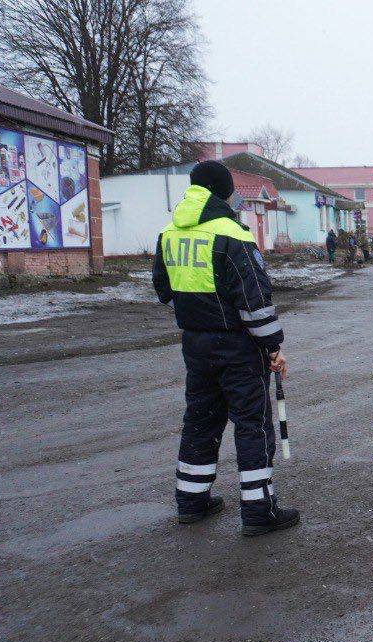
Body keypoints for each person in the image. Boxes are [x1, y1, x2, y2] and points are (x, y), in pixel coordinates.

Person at [151, 160, 300, 536]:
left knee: (200, 420)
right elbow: (254, 300)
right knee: (252, 425)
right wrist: (272, 347)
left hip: (195, 345)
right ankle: (258, 511)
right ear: (223, 191)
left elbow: (163, 289)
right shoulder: (232, 234)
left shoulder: (169, 233)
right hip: (237, 346)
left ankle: (191, 501)